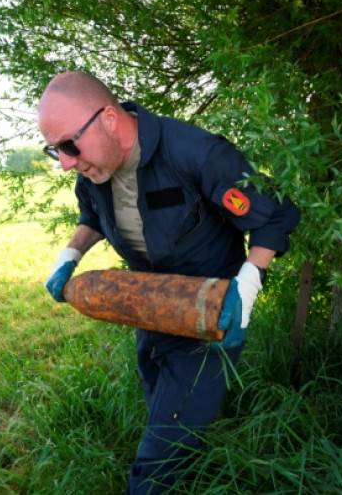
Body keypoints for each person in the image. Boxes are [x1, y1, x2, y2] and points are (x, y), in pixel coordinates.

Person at [38, 71, 300, 494]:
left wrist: (247, 286)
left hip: (210, 316)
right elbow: (93, 216)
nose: (67, 162)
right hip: (151, 307)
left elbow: (276, 213)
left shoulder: (196, 154)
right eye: (55, 151)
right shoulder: (94, 169)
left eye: (70, 145)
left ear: (108, 119)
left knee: (159, 454)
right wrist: (70, 256)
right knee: (161, 405)